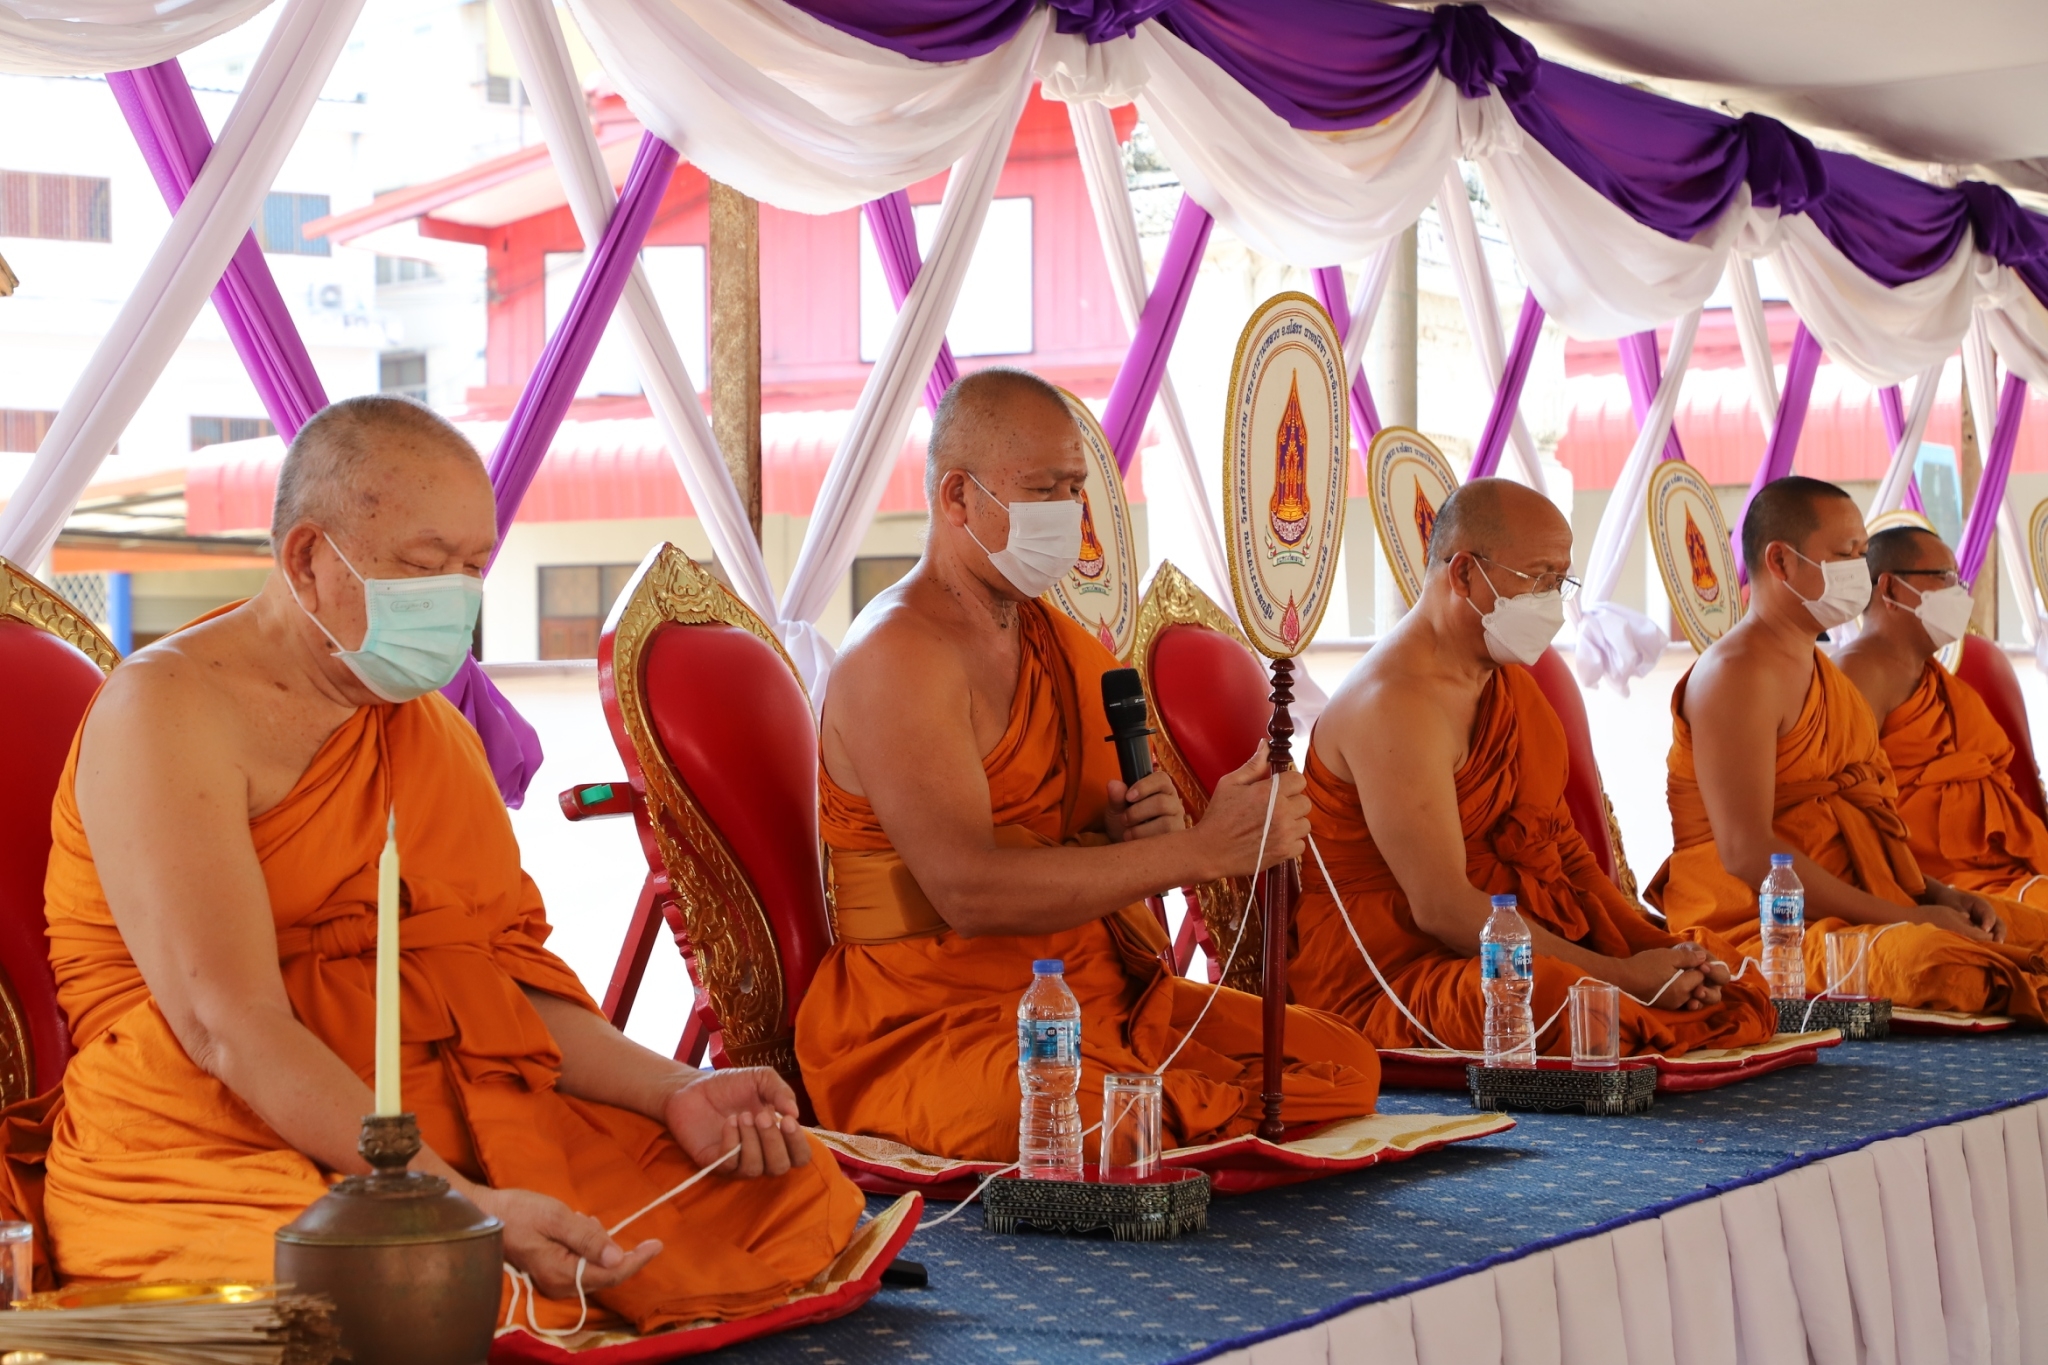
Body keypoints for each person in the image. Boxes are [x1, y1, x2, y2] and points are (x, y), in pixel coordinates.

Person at [38, 396, 862, 1329]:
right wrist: (451, 1201)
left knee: (784, 1196)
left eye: (473, 567)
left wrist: (675, 1091)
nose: (456, 599)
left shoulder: (427, 727)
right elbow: (229, 1025)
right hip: (208, 1127)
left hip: (445, 1104)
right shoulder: (168, 710)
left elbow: (501, 981)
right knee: (411, 1290)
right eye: (425, 565)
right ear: (307, 559)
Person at [794, 368, 1380, 1163]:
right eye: (1043, 489)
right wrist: (1198, 850)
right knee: (1090, 1118)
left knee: (1342, 1063)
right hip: (930, 1016)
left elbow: (1083, 840)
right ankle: (1167, 1120)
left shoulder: (1055, 645)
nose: (1068, 512)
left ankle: (1174, 1116)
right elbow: (967, 890)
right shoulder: (899, 653)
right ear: (958, 497)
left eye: (1075, 488)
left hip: (1087, 989)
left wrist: (1137, 834)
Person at [1291, 479, 1775, 1056]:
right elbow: (1444, 910)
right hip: (1394, 975)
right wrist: (1622, 977)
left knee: (1713, 968)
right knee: (1562, 1001)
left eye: (1561, 581)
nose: (1553, 601)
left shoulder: (1506, 684)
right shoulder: (1392, 705)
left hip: (1510, 944)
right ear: (1464, 573)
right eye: (1539, 578)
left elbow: (1561, 848)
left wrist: (1651, 949)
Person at [1648, 476, 2048, 1019]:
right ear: (1781, 561)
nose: (1860, 571)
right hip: (1764, 928)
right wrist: (1905, 917)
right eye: (1845, 555)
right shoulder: (1737, 673)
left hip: (1866, 906)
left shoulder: (1822, 674)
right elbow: (1747, 853)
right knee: (1939, 961)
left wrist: (1934, 894)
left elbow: (1861, 826)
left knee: (2029, 930)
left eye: (1862, 554)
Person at [1836, 526, 2048, 909]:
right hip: (1936, 881)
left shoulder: (1933, 677)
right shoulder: (1859, 673)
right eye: (1945, 577)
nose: (1959, 592)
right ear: (1890, 589)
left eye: (1958, 580)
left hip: (1996, 866)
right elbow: (1851, 805)